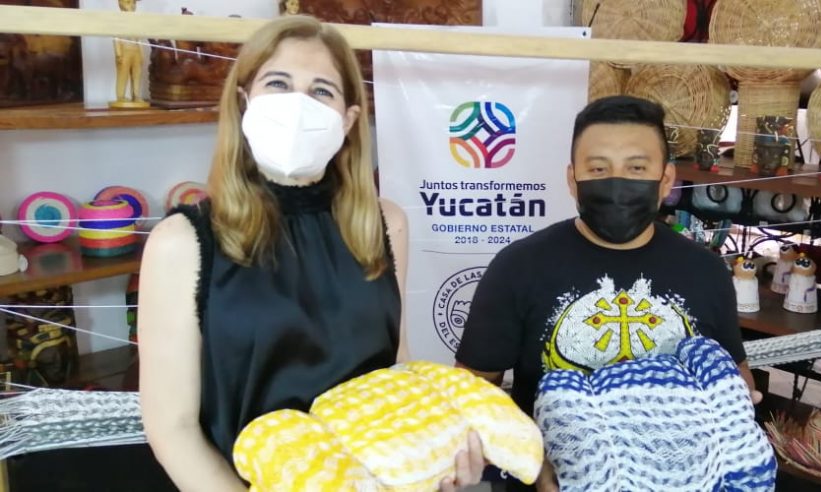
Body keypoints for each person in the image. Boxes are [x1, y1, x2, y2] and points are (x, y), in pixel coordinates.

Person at [138, 16, 482, 491]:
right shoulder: (182, 242)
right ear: (244, 101)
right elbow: (172, 429)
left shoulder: (385, 225)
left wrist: (435, 462)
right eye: (278, 84)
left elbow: (396, 368)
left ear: (348, 120)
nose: (297, 104)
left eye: (321, 91)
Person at [455, 95, 760, 492]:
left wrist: (740, 405)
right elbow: (472, 395)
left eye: (637, 168)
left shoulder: (706, 272)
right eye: (598, 169)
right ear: (572, 179)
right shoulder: (518, 267)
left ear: (666, 179)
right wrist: (532, 461)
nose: (617, 183)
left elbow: (734, 377)